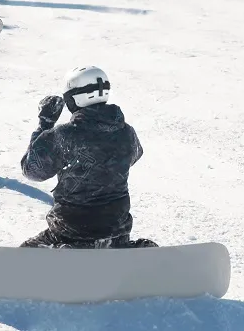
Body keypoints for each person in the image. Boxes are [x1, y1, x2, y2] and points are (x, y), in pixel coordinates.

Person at [19, 66, 158, 249]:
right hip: (117, 232)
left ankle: (67, 255)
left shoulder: (64, 135)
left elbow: (32, 170)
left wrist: (45, 124)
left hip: (68, 233)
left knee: (25, 254)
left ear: (74, 98)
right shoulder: (127, 132)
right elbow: (135, 155)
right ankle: (124, 251)